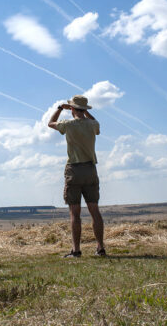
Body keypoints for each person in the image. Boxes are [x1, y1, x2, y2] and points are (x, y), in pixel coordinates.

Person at [48, 95, 106, 257]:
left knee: (75, 213)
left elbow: (50, 123)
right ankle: (100, 248)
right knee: (94, 210)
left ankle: (76, 250)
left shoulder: (68, 125)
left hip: (74, 169)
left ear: (71, 108)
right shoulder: (93, 124)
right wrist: (85, 113)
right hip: (90, 169)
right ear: (85, 110)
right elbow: (96, 124)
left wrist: (60, 109)